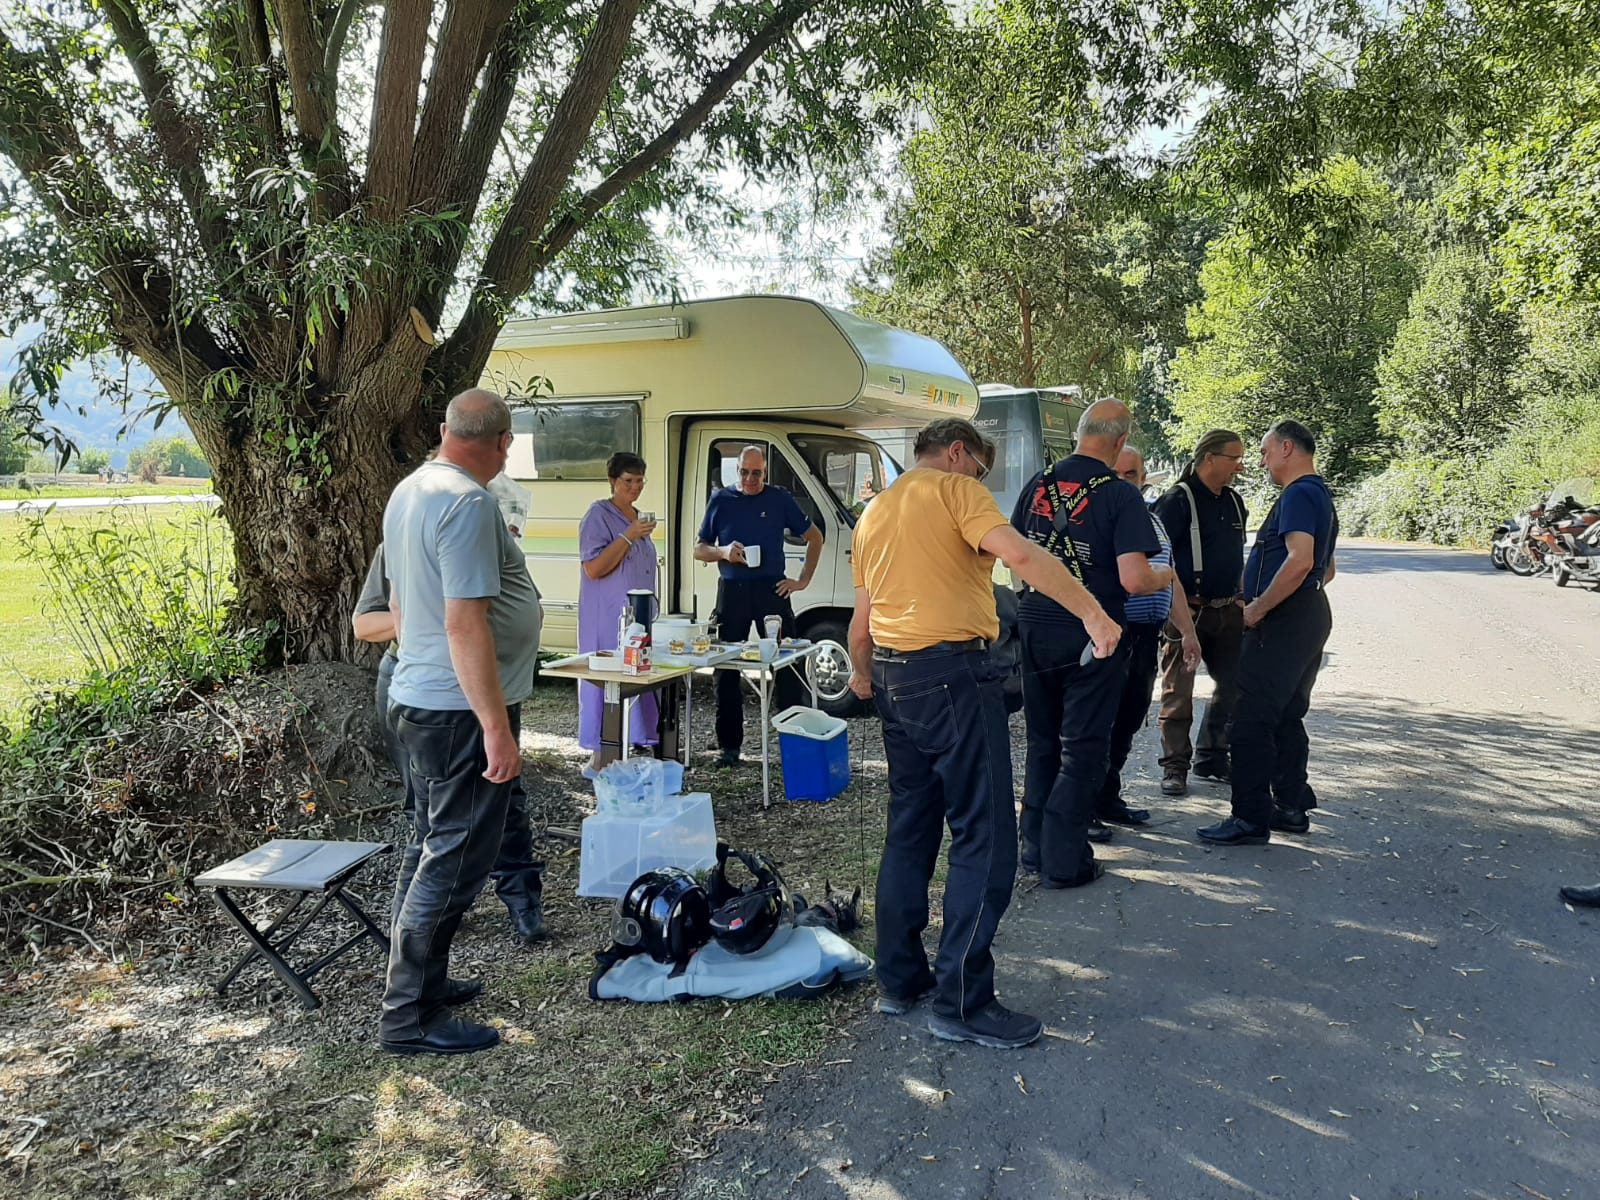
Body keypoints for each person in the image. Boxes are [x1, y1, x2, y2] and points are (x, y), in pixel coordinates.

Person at [848, 417, 1120, 1049]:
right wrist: (1095, 615)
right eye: (979, 469)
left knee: (910, 826)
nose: (982, 481)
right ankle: (963, 1001)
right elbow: (1021, 555)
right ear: (957, 452)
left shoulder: (874, 512)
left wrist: (864, 675)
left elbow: (862, 621)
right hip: (952, 677)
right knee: (986, 832)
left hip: (893, 676)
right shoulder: (955, 489)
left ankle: (899, 979)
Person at [378, 389, 542, 1056]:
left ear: (447, 430)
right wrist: (495, 727)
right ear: (503, 444)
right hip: (456, 709)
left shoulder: (410, 490)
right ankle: (409, 1016)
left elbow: (397, 604)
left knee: (431, 844)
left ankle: (423, 984)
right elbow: (464, 623)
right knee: (453, 859)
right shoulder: (469, 503)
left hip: (418, 694)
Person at [1012, 400, 1175, 889]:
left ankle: (1033, 846)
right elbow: (1133, 579)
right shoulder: (1120, 494)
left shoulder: (1039, 483)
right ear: (1120, 441)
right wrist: (1164, 576)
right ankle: (1066, 860)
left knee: (1043, 739)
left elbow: (1016, 551)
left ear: (1080, 432)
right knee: (1082, 746)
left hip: (1035, 621)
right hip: (1093, 629)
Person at [352, 543, 546, 946]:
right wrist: (433, 618)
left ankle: (522, 902)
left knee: (506, 796)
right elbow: (364, 625)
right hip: (423, 688)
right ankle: (419, 929)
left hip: (491, 685)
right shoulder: (400, 543)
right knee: (427, 810)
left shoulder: (486, 536)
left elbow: (525, 603)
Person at [1198, 419, 1338, 846]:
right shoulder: (1319, 493)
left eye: (1264, 452)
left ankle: (1250, 817)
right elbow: (1326, 568)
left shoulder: (1298, 494)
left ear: (1287, 448)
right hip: (1308, 614)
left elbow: (1300, 560)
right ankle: (1291, 805)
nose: (1260, 462)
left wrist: (1260, 606)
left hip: (1282, 620)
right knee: (1286, 714)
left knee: (1251, 718)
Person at [694, 445, 824, 767]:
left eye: (757, 473)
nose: (750, 479)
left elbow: (815, 537)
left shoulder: (779, 498)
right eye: (744, 472)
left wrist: (802, 580)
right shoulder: (721, 500)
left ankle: (795, 745)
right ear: (736, 470)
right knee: (726, 668)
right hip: (732, 591)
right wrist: (723, 552)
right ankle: (729, 748)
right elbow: (699, 549)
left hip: (772, 590)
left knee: (788, 665)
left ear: (765, 472)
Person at [1096, 446, 1201, 827]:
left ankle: (1107, 797)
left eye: (1132, 474)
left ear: (1143, 479)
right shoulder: (1100, 518)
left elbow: (1171, 581)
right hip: (1111, 636)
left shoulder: (1153, 521)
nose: (1125, 481)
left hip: (1146, 637)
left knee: (1129, 719)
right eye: (1117, 474)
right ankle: (1086, 806)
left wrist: (1187, 632)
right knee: (1099, 723)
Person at [1152, 429, 1249, 796]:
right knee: (1178, 692)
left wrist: (1243, 597)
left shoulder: (1234, 501)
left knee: (1236, 685)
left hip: (1228, 610)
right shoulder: (1176, 501)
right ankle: (1174, 767)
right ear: (1209, 458)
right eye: (1234, 458)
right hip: (1187, 611)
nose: (1240, 467)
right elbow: (1159, 560)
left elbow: (1236, 554)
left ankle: (1212, 756)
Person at [578, 452, 660, 773]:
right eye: (628, 481)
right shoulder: (598, 515)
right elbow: (594, 568)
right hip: (607, 616)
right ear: (613, 481)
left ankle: (634, 745)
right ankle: (600, 756)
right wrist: (628, 536)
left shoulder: (638, 516)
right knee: (607, 682)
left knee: (638, 680)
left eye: (640, 481)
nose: (635, 488)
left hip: (638, 617)